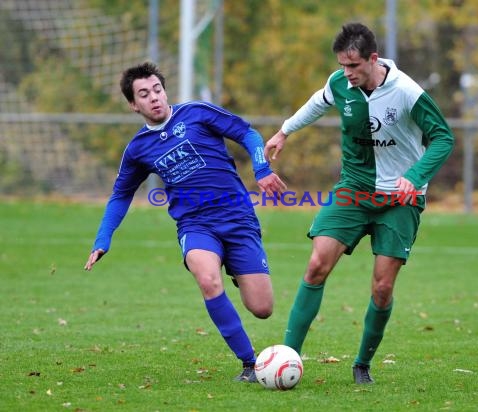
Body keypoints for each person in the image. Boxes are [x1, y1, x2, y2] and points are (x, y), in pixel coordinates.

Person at [264, 22, 454, 384]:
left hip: (401, 198)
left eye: (353, 66)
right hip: (354, 189)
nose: (346, 74)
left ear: (373, 59)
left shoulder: (408, 93)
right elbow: (318, 102)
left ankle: (362, 363)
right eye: (341, 66)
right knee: (317, 264)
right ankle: (288, 357)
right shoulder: (341, 83)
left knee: (382, 287)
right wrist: (284, 130)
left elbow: (443, 138)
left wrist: (414, 177)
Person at [84, 62, 287, 382]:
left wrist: (261, 170)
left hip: (237, 218)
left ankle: (235, 267)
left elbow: (248, 133)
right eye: (144, 94)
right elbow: (120, 195)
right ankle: (250, 364)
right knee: (207, 279)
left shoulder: (196, 113)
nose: (154, 98)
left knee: (262, 308)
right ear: (133, 105)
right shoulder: (138, 149)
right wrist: (102, 239)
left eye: (157, 90)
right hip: (195, 226)